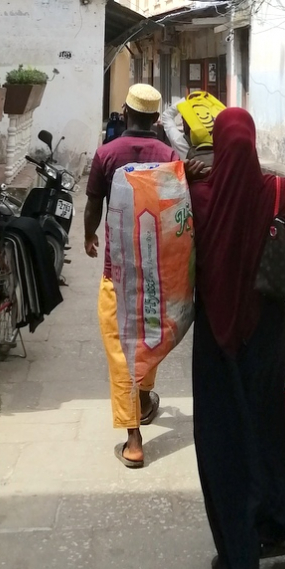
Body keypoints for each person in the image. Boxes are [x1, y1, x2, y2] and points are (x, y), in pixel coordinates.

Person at [189, 108, 285, 569]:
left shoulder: (196, 195)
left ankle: (238, 562)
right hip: (267, 334)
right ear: (251, 144)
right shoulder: (276, 190)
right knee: (267, 425)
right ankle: (276, 525)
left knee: (223, 441)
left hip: (216, 335)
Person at [84, 84, 181, 468]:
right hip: (156, 271)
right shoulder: (168, 155)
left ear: (125, 113)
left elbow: (94, 204)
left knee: (120, 349)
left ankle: (134, 438)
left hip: (117, 272)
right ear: (157, 119)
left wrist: (89, 234)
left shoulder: (106, 154)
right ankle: (142, 399)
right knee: (150, 335)